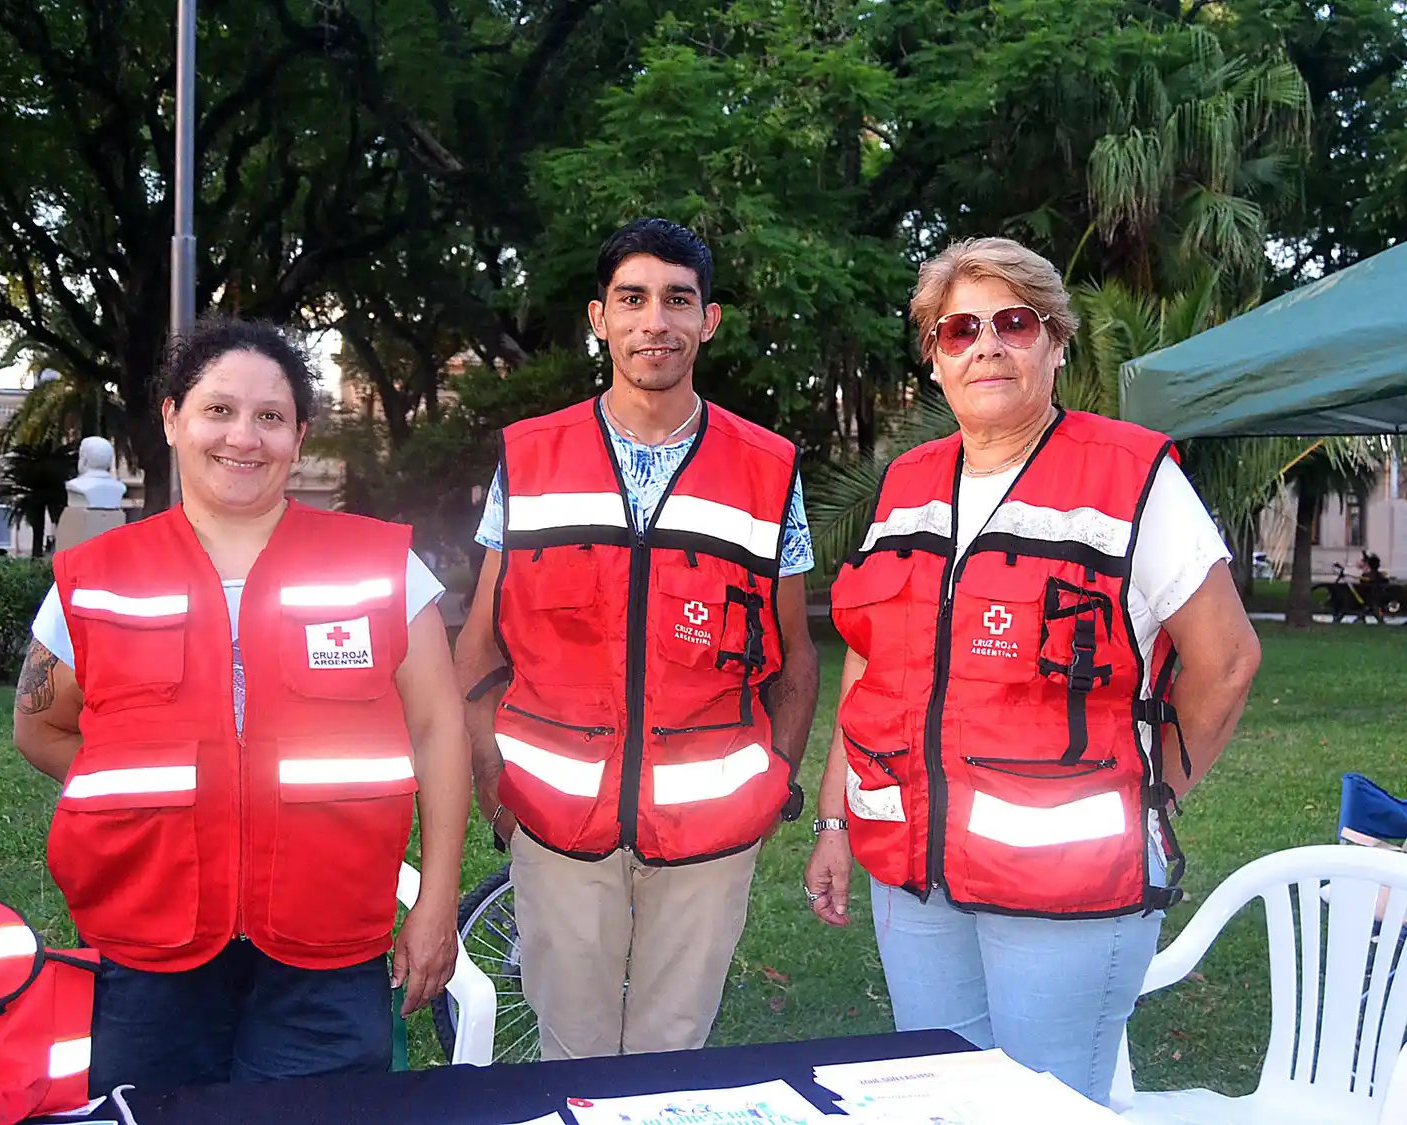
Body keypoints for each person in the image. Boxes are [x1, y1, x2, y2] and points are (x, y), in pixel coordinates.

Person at [803, 237, 1261, 1104]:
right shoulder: (906, 483)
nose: (986, 345)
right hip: (914, 874)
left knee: (1045, 1110)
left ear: (1057, 341)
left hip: (1066, 888)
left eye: (1014, 322)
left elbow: (1228, 660)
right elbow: (872, 657)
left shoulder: (1132, 476)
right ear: (935, 358)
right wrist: (833, 822)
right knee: (941, 1101)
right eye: (958, 329)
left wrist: (1153, 792)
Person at [11, 318, 470, 1092]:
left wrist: (437, 902)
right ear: (172, 419)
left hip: (328, 948)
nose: (244, 438)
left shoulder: (380, 565)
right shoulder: (96, 577)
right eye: (218, 410)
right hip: (149, 947)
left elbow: (439, 728)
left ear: (300, 435)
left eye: (270, 416)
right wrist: (162, 798)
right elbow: (40, 726)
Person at [454, 218, 821, 1059]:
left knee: (670, 1058)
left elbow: (795, 659)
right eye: (633, 299)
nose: (655, 320)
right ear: (600, 317)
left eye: (677, 300)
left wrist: (776, 784)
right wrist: (495, 791)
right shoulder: (530, 457)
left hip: (709, 832)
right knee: (569, 1054)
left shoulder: (767, 469)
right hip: (553, 818)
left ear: (708, 320)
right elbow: (477, 650)